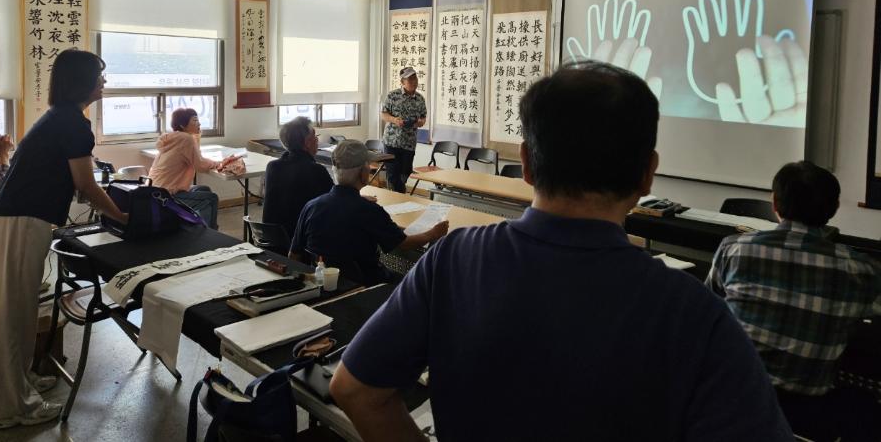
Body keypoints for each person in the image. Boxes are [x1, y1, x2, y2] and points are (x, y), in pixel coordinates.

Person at [330, 61, 793, 441]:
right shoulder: (697, 312)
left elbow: (355, 390)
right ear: (648, 175)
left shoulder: (453, 259)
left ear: (526, 165)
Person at [0, 49, 129, 429]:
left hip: (16, 218)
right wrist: (122, 215)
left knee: (20, 311)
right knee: (13, 315)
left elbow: (77, 184)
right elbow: (85, 184)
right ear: (82, 80)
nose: (104, 82)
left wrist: (99, 200)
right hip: (20, 220)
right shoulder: (72, 123)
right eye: (99, 75)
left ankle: (21, 384)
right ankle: (10, 408)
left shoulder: (61, 117)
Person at [706, 161, 881, 441]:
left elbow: (711, 311)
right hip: (807, 413)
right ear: (834, 208)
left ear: (774, 202)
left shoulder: (735, 248)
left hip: (735, 397)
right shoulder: (861, 271)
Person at [289, 140, 447, 286]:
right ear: (362, 173)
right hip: (367, 284)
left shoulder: (311, 206)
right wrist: (433, 234)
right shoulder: (369, 211)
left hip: (324, 283)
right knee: (411, 282)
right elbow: (404, 244)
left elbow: (293, 255)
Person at [147, 108, 237, 229]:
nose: (199, 123)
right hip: (166, 196)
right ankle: (209, 235)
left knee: (204, 189)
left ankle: (194, 227)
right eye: (195, 121)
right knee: (211, 198)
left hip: (154, 191)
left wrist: (196, 137)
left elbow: (196, 158)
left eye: (198, 120)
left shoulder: (173, 138)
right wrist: (219, 164)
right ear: (182, 125)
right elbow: (199, 164)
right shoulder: (186, 139)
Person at [261, 117, 332, 250]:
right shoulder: (315, 170)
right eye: (314, 136)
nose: (317, 140)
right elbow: (335, 201)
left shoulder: (273, 167)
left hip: (272, 241)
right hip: (299, 244)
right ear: (307, 143)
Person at [381, 66, 426, 193]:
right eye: (410, 79)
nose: (414, 82)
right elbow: (384, 114)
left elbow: (423, 117)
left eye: (415, 78)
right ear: (402, 82)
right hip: (392, 141)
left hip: (409, 143)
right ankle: (397, 198)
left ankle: (399, 194)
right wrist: (395, 120)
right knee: (393, 173)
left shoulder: (420, 99)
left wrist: (420, 123)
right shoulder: (392, 95)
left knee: (405, 172)